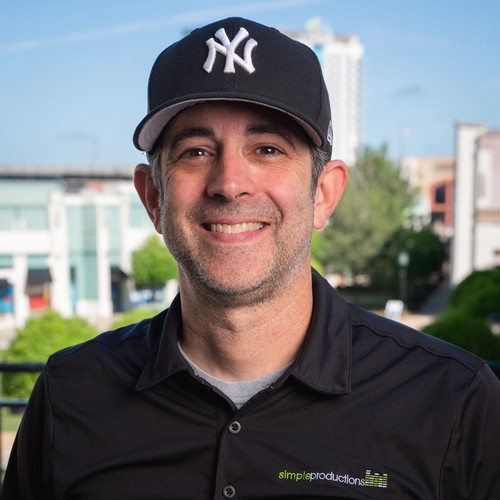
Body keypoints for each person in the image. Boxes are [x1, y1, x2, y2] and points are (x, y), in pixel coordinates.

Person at [2, 16, 500, 500]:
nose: (229, 184)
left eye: (267, 149)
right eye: (196, 151)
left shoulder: (453, 403)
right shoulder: (71, 395)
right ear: (153, 197)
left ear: (323, 194)